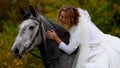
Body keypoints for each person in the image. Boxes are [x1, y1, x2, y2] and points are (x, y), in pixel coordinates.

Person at [46, 5, 120, 68]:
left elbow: (69, 50)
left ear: (70, 18)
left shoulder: (78, 29)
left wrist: (56, 38)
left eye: (64, 17)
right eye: (60, 15)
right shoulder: (77, 20)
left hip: (98, 50)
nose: (60, 18)